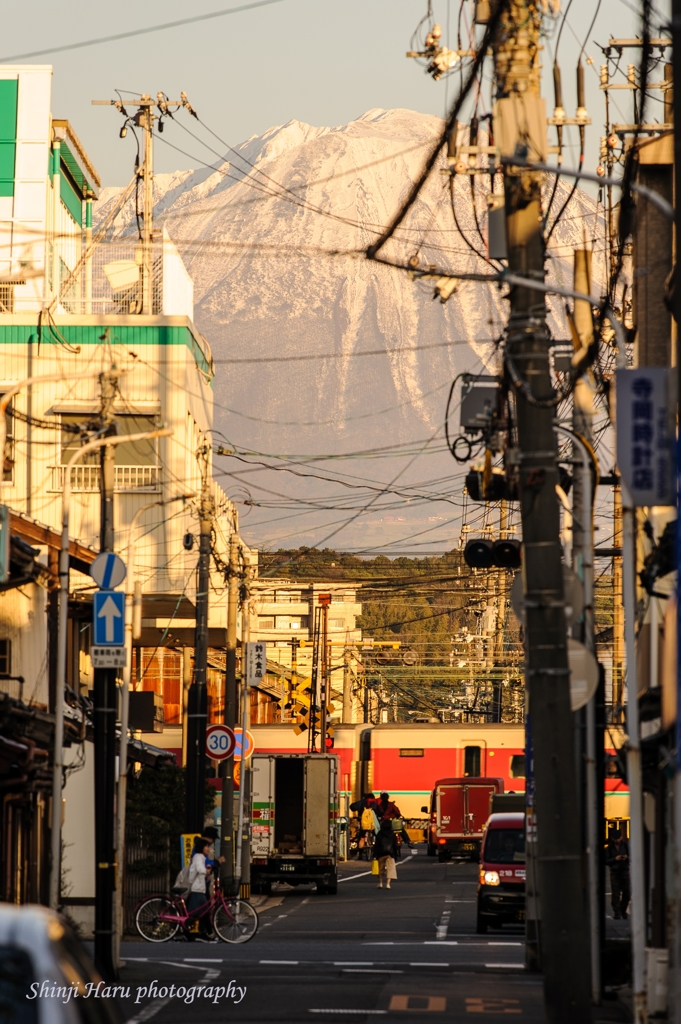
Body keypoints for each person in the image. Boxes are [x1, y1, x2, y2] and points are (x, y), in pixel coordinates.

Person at [187, 838, 215, 940]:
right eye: (207, 846)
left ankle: (200, 933)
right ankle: (206, 933)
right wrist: (206, 871)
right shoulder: (198, 857)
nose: (208, 849)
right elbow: (199, 869)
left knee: (198, 913)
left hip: (199, 889)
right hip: (196, 889)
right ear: (201, 847)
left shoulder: (201, 857)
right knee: (201, 912)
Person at [605, 828, 631, 920]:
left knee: (627, 893)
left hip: (625, 871)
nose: (618, 840)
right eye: (615, 838)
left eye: (619, 838)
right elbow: (606, 861)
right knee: (615, 894)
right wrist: (615, 859)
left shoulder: (626, 846)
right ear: (612, 838)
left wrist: (626, 858)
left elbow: (631, 858)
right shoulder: (609, 848)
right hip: (615, 873)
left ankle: (622, 909)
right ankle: (617, 912)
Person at [373, 818, 399, 890]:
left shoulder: (379, 833)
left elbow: (377, 845)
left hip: (380, 853)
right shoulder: (392, 834)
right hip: (390, 854)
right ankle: (388, 884)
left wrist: (375, 854)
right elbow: (395, 845)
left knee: (380, 869)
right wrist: (395, 855)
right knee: (390, 869)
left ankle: (380, 883)